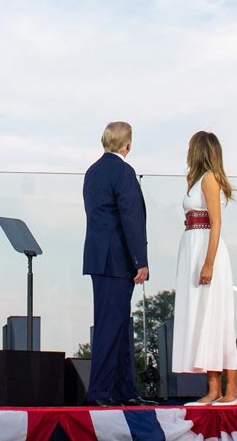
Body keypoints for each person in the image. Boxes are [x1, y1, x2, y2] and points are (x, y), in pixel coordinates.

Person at [82, 120, 151, 406]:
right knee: (112, 326)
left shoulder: (92, 171)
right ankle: (99, 392)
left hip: (98, 258)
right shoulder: (124, 172)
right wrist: (140, 260)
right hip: (118, 260)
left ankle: (126, 391)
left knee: (120, 326)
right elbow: (130, 218)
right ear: (128, 144)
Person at [172, 130, 237, 405]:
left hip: (206, 251)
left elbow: (216, 223)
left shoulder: (209, 179)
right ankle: (213, 389)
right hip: (192, 248)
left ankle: (232, 390)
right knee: (203, 318)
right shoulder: (196, 180)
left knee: (217, 317)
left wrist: (209, 262)